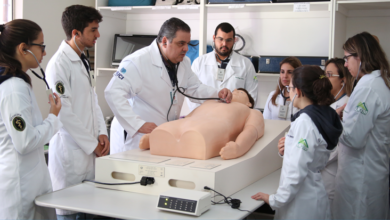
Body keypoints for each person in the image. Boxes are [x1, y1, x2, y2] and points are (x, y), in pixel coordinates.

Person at [105, 17, 232, 153]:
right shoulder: (137, 62)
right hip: (136, 138)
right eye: (181, 43)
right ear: (165, 41)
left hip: (163, 135)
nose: (186, 49)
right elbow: (113, 92)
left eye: (188, 44)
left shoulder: (184, 62)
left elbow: (195, 88)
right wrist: (137, 125)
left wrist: (217, 93)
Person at [251, 65, 342, 219]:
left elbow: (296, 171)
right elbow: (311, 153)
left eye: (291, 88)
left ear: (298, 91)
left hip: (301, 203)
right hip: (314, 194)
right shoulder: (326, 114)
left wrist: (274, 199)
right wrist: (289, 149)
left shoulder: (305, 121)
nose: (289, 91)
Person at [46, 5, 109, 219]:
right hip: (70, 155)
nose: (98, 34)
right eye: (93, 30)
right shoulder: (58, 65)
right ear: (76, 33)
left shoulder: (81, 59)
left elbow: (93, 100)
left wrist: (102, 132)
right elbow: (64, 113)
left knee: (89, 210)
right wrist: (92, 145)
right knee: (71, 213)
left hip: (89, 151)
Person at [0, 19, 62, 219]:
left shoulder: (16, 82)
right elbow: (25, 142)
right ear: (23, 48)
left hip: (27, 181)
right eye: (41, 46)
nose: (44, 52)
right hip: (20, 187)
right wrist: (53, 117)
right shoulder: (13, 88)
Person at [333, 32, 390, 219]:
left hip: (361, 177)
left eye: (347, 58)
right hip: (367, 173)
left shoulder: (367, 88)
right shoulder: (375, 83)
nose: (346, 64)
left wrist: (331, 121)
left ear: (361, 56)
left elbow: (353, 138)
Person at [139, 88, 263, 160]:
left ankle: (161, 139)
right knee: (168, 128)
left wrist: (239, 147)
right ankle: (155, 139)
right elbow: (188, 117)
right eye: (234, 90)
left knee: (197, 134)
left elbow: (251, 131)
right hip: (188, 122)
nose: (234, 92)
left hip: (210, 129)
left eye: (240, 93)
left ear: (249, 103)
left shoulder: (250, 111)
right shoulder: (210, 102)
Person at [187, 22, 258, 112]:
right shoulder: (199, 63)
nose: (224, 44)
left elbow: (252, 96)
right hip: (204, 117)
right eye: (220, 39)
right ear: (214, 38)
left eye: (228, 40)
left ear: (234, 40)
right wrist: (200, 114)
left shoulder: (246, 64)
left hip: (234, 118)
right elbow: (191, 93)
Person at [319, 58, 353, 217]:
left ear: (343, 80)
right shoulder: (325, 105)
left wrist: (314, 159)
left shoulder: (347, 106)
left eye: (329, 75)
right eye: (324, 75)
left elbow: (337, 146)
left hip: (330, 173)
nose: (325, 79)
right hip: (319, 172)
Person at [263, 57, 302, 121]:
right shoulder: (272, 95)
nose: (285, 76)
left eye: (290, 72)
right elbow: (265, 120)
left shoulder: (302, 97)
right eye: (282, 72)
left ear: (298, 74)